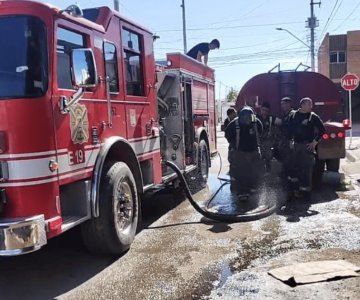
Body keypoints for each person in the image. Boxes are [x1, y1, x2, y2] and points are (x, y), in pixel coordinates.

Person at [289, 97, 326, 200]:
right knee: (295, 168)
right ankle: (296, 191)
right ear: (303, 105)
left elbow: (322, 130)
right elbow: (290, 129)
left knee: (306, 170)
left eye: (311, 104)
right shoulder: (294, 115)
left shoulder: (313, 116)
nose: (311, 106)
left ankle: (305, 193)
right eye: (309, 104)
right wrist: (291, 141)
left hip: (307, 147)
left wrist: (314, 142)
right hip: (296, 146)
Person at [225, 106, 263, 198]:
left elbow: (260, 131)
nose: (247, 119)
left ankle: (253, 189)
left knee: (255, 172)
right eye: (245, 117)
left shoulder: (255, 121)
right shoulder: (234, 124)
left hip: (253, 151)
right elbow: (228, 136)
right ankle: (242, 192)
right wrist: (234, 145)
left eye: (249, 117)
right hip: (240, 152)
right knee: (241, 173)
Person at [274, 97, 297, 196]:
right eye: (282, 104)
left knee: (291, 167)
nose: (282, 106)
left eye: (284, 104)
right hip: (284, 146)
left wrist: (281, 123)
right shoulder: (284, 115)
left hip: (290, 145)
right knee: (285, 167)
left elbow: (292, 128)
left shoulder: (293, 114)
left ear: (289, 104)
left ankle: (294, 189)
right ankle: (288, 188)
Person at [257, 102, 275, 172]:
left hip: (267, 141)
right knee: (259, 157)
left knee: (268, 157)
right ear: (260, 109)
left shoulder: (270, 118)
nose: (264, 112)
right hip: (258, 141)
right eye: (263, 110)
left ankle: (268, 171)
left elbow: (279, 122)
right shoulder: (256, 117)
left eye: (266, 110)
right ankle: (259, 172)